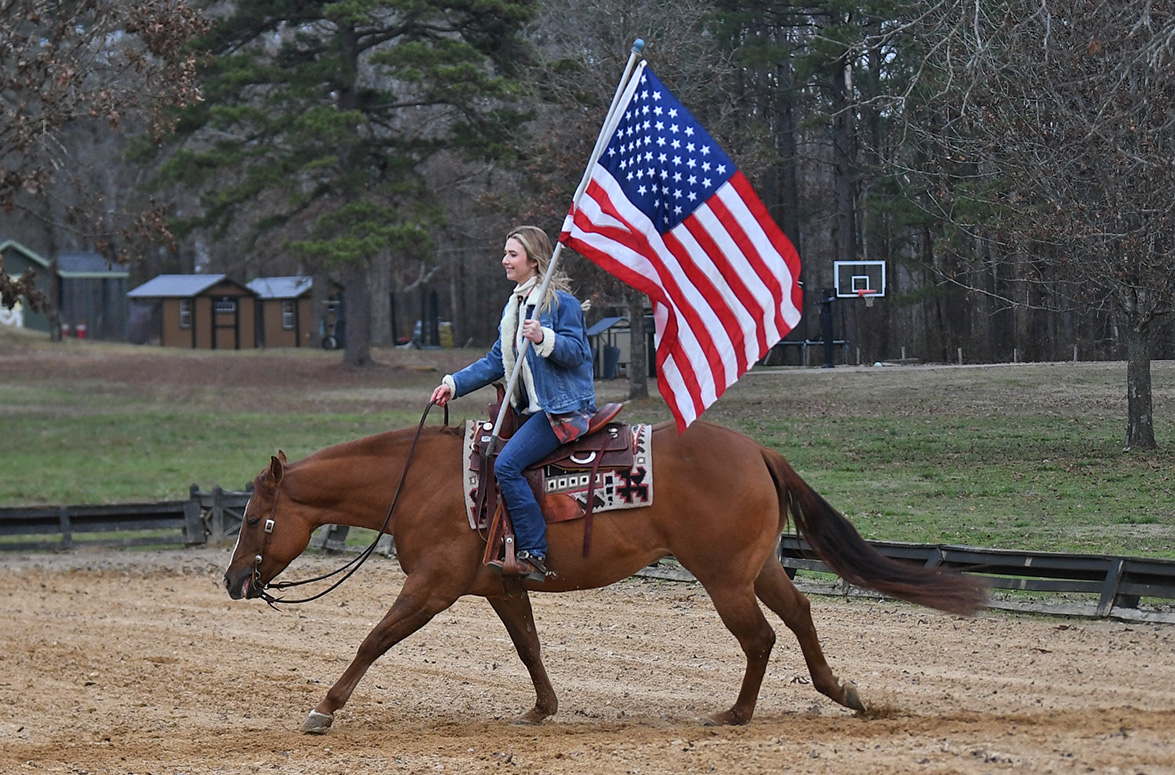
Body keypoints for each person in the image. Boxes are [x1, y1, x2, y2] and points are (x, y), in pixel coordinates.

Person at [431, 226, 596, 580]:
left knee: (506, 466)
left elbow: (579, 353)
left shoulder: (559, 303)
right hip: (528, 410)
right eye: (506, 254)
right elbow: (496, 362)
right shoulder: (516, 305)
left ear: (534, 262)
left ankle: (533, 550)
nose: (504, 261)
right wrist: (453, 385)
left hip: (561, 410)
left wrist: (545, 337)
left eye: (512, 255)